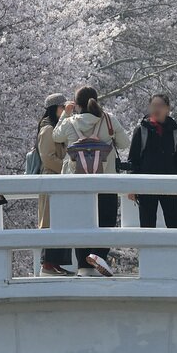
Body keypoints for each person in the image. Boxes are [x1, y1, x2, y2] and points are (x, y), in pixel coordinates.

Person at [53, 85, 130, 276]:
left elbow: (56, 136)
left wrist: (65, 114)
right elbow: (125, 143)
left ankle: (83, 266)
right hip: (106, 180)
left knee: (80, 222)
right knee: (106, 220)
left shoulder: (70, 122)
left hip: (78, 184)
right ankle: (99, 256)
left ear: (77, 104)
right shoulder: (109, 119)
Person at [127, 93, 177, 229]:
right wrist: (132, 185)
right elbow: (133, 159)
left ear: (168, 109)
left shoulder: (175, 131)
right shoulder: (142, 130)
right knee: (147, 223)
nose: (156, 109)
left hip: (170, 182)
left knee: (174, 223)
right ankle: (147, 250)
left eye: (160, 106)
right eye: (153, 105)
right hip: (145, 183)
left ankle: (176, 249)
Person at [36, 94, 74, 276]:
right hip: (52, 178)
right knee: (51, 221)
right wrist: (67, 167)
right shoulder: (47, 129)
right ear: (54, 109)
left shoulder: (56, 128)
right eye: (61, 108)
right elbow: (48, 158)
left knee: (62, 221)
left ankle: (57, 262)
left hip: (59, 179)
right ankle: (48, 263)